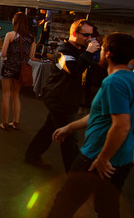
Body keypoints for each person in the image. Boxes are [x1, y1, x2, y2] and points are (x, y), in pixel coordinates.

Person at [8, 33, 134, 218]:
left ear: (107, 54)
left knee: (65, 202)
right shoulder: (129, 80)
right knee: (108, 213)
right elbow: (101, 116)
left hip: (98, 157)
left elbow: (121, 126)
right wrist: (69, 127)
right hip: (122, 159)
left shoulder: (114, 83)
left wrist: (101, 158)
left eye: (100, 49)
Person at [25, 18, 100, 171]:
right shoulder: (62, 51)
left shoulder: (80, 51)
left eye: (91, 36)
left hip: (67, 97)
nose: (89, 39)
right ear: (74, 33)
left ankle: (31, 155)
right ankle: (75, 175)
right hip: (58, 98)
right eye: (86, 35)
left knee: (48, 129)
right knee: (69, 137)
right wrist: (88, 52)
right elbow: (73, 70)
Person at [0, 12, 35, 131]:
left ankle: (4, 122)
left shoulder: (10, 35)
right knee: (16, 95)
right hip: (22, 69)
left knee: (6, 95)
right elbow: (31, 56)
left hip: (9, 67)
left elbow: (3, 53)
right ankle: (16, 122)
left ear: (15, 22)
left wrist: (9, 58)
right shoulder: (31, 37)